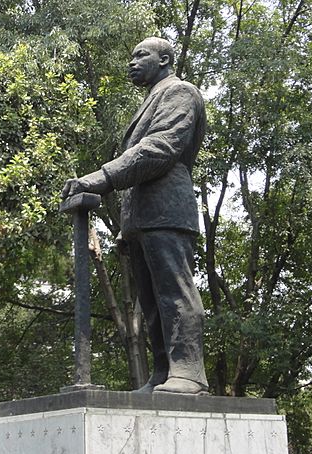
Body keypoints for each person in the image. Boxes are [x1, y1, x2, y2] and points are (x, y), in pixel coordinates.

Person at [62, 37, 208, 394]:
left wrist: (101, 178)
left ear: (165, 59)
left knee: (174, 292)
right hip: (143, 216)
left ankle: (188, 373)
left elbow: (159, 148)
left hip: (167, 210)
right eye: (131, 56)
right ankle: (163, 374)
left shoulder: (181, 93)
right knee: (153, 300)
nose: (132, 62)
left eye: (141, 55)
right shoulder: (152, 99)